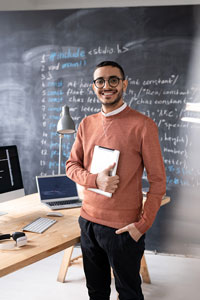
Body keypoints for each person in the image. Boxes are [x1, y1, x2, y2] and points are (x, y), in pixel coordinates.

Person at [66, 61, 166, 300]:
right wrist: (94, 180)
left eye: (113, 80)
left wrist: (141, 226)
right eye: (100, 81)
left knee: (129, 293)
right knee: (96, 291)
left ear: (124, 84)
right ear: (94, 87)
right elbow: (71, 166)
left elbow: (158, 181)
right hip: (88, 223)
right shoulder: (86, 124)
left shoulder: (143, 125)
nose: (106, 86)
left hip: (123, 229)